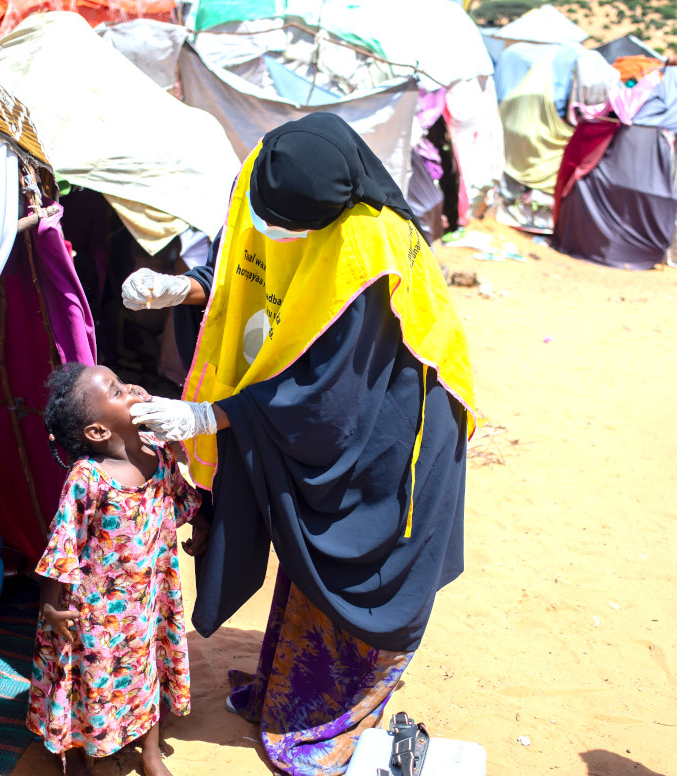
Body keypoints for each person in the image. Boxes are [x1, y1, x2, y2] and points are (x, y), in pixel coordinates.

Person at [121, 113, 477, 775]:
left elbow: (328, 393)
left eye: (293, 228)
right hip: (323, 416)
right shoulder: (268, 170)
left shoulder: (371, 249)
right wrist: (189, 285)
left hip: (388, 438)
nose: (275, 230)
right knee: (308, 569)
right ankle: (295, 689)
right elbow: (254, 270)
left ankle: (334, 709)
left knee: (359, 568)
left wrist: (212, 417)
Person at [27, 364, 203, 776]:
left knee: (148, 670)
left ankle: (150, 752)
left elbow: (179, 497)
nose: (133, 388)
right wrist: (50, 608)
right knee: (99, 684)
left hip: (148, 602)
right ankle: (99, 755)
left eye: (123, 382)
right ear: (98, 432)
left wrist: (203, 525)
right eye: (117, 390)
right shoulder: (88, 479)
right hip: (97, 614)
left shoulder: (158, 455)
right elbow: (61, 547)